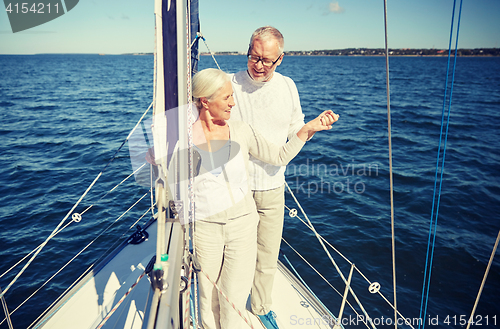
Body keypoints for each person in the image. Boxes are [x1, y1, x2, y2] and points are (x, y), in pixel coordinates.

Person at [191, 68, 338, 329]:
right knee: (207, 296)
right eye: (226, 98)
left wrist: (307, 130)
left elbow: (280, 156)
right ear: (205, 100)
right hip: (205, 229)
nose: (233, 103)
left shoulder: (241, 131)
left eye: (232, 96)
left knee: (233, 298)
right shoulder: (183, 137)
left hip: (242, 227)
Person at [229, 26, 338, 329]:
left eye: (267, 60)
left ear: (281, 59)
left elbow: (295, 130)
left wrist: (312, 127)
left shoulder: (288, 86)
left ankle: (261, 305)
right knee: (234, 253)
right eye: (253, 57)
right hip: (235, 187)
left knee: (267, 253)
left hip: (273, 186)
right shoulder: (229, 84)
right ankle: (226, 305)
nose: (259, 65)